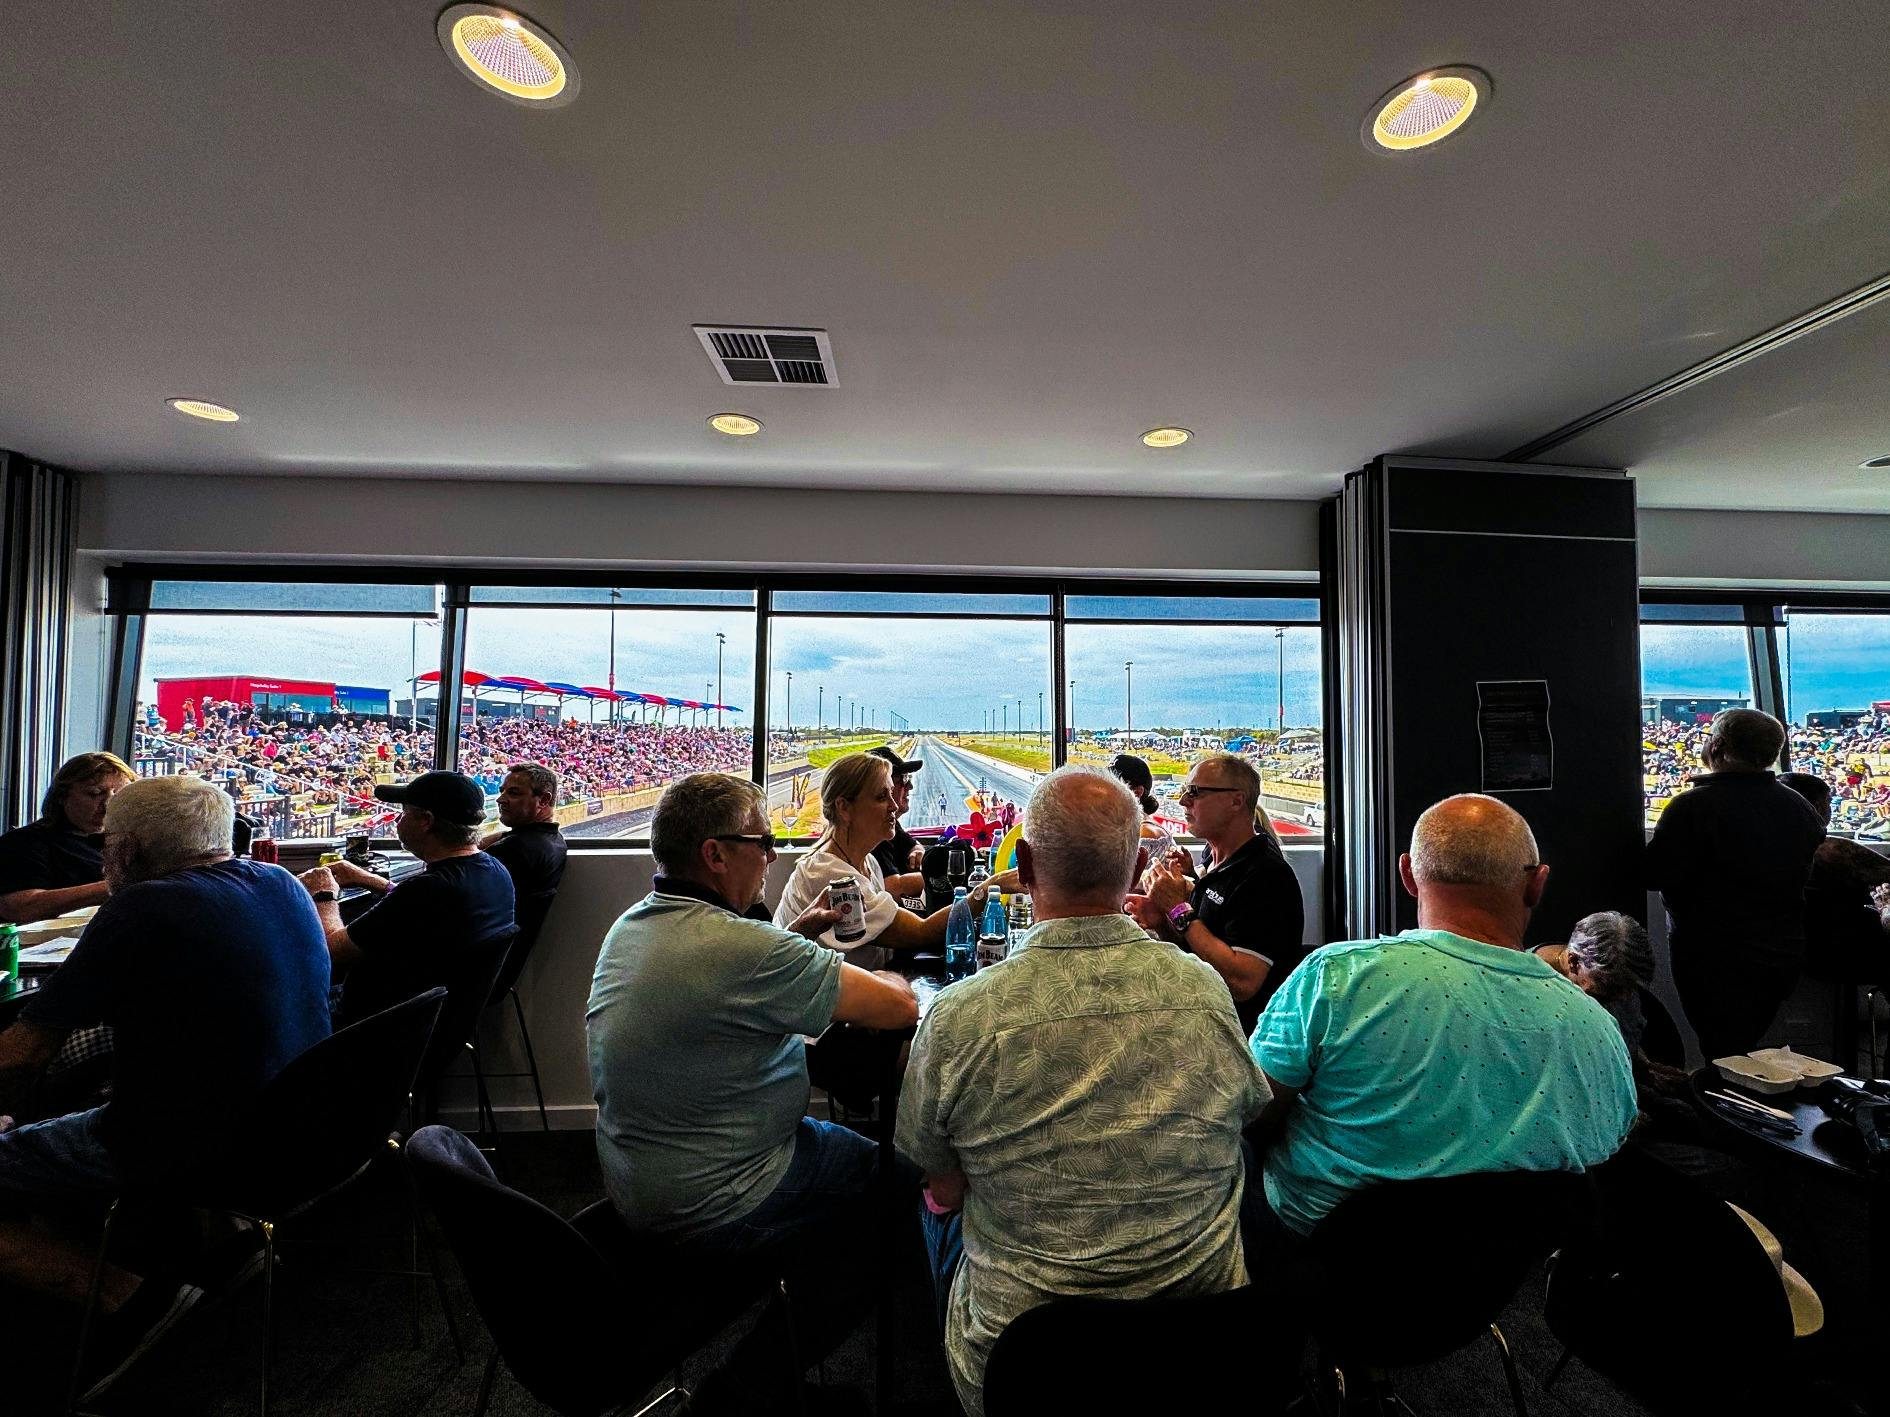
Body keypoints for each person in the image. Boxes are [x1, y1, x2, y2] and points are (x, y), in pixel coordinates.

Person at [897, 767, 1267, 1417]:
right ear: (1134, 875)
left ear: (1028, 865)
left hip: (1027, 1367)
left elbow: (943, 1183)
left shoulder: (960, 1015)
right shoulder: (1204, 990)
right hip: (1203, 1352)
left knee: (932, 1204)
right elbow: (1245, 1113)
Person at [588, 772, 918, 1415]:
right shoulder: (740, 947)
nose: (772, 856)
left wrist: (791, 939)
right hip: (725, 1189)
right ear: (715, 854)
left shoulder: (635, 923)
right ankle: (749, 1390)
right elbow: (898, 1008)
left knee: (863, 1158)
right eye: (762, 843)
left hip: (642, 1177)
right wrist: (882, 976)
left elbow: (727, 984)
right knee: (902, 1194)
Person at [0, 776, 331, 1400]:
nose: (104, 856)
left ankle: (129, 1297)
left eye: (108, 845)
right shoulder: (282, 883)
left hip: (185, 1142)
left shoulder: (143, 907)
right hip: (285, 1124)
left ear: (126, 851)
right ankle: (218, 1246)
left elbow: (26, 1048)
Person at [1248, 794, 1636, 1250]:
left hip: (1315, 1257)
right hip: (1495, 1280)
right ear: (1537, 885)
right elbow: (1601, 1157)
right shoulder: (1598, 1031)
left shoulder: (1338, 977)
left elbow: (1252, 1109)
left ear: (1409, 876)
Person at [1646, 709, 1826, 1059]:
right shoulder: (1799, 806)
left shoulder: (1692, 807)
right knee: (1740, 1049)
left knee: (1723, 1054)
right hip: (1781, 954)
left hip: (1712, 958)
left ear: (1719, 746)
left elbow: (1654, 874)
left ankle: (1731, 1111)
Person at [301, 770, 515, 1027]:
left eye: (404, 814)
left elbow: (332, 952)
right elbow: (420, 912)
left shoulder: (426, 891)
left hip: (372, 1025)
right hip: (428, 1026)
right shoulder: (494, 871)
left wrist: (323, 893)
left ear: (426, 821)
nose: (397, 822)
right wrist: (371, 880)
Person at [1128, 752, 1306, 1035]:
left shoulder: (1265, 875)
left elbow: (1243, 983)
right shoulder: (1219, 865)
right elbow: (1201, 943)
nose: (1183, 801)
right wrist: (1163, 920)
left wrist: (1178, 910)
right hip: (1206, 1020)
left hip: (1242, 1037)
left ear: (1236, 801)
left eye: (1195, 793)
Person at [773, 754, 1001, 970]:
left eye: (892, 795)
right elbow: (921, 933)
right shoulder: (830, 875)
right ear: (844, 808)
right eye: (882, 797)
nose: (894, 805)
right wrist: (991, 887)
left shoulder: (869, 862)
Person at [0, 752, 137, 925]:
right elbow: (19, 907)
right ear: (62, 796)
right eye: (95, 794)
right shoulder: (25, 842)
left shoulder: (128, 839)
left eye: (119, 794)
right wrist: (114, 886)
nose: (108, 804)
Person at [480, 762, 569, 953]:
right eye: (502, 791)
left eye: (513, 793)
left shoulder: (512, 851)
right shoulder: (554, 841)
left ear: (544, 800)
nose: (500, 799)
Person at [867, 745, 927, 907]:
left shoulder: (890, 823)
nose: (910, 787)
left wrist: (917, 852)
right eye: (903, 780)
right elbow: (893, 889)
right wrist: (945, 875)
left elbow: (914, 845)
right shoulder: (871, 831)